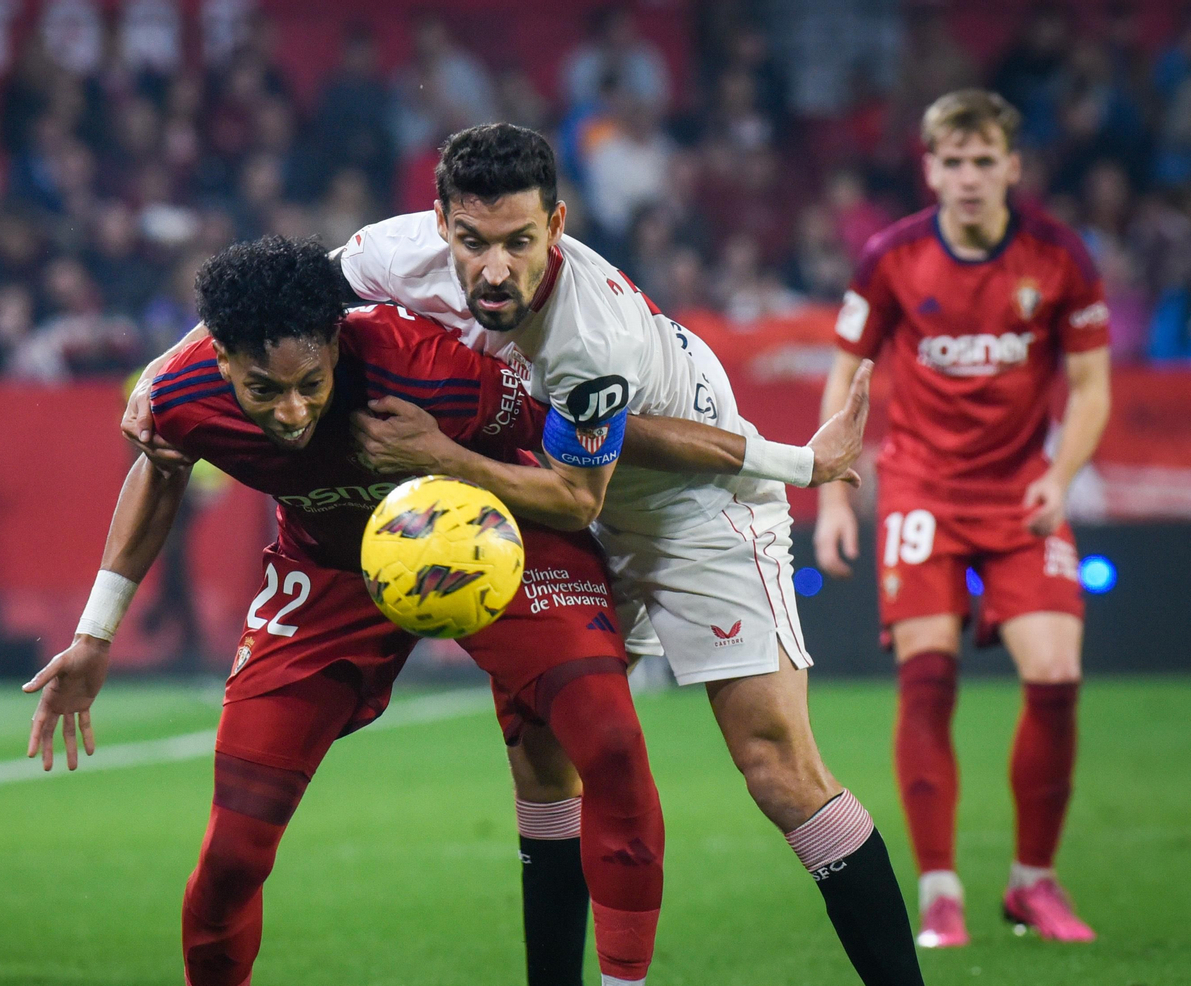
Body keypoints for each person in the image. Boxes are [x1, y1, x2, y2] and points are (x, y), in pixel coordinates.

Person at [123, 125, 917, 986]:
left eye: (518, 243)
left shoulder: (587, 337)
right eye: (473, 242)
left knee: (776, 766)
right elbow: (269, 303)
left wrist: (796, 464)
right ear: (439, 226)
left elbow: (592, 490)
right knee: (547, 761)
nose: (494, 270)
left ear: (557, 226)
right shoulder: (391, 253)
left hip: (683, 508)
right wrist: (162, 373)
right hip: (539, 479)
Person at [25, 236, 667, 986]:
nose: (292, 410)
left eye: (311, 383)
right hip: (329, 573)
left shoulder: (427, 368)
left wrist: (754, 456)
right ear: (221, 359)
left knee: (613, 745)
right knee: (233, 855)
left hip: (497, 541)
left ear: (337, 339)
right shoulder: (181, 393)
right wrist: (96, 635)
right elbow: (161, 468)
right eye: (263, 390)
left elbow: (577, 434)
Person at [814, 89, 1109, 948]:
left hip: (1024, 488)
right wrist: (834, 493)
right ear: (930, 168)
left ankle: (1032, 884)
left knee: (1056, 675)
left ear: (1013, 167)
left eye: (986, 161)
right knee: (928, 674)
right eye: (954, 161)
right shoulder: (891, 256)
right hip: (924, 490)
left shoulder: (1060, 257)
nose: (970, 177)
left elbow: (1092, 388)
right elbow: (844, 375)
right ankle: (940, 891)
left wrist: (1060, 475)